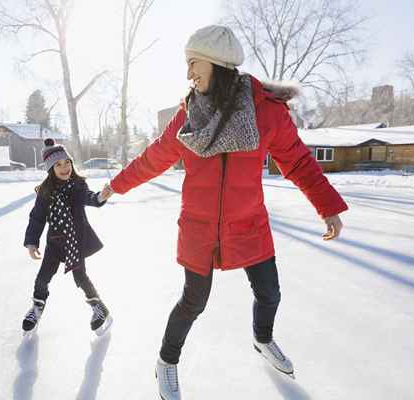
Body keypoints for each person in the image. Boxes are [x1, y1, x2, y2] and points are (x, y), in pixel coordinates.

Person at [100, 25, 348, 399]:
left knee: (270, 294)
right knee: (193, 302)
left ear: (216, 63)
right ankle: (166, 363)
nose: (188, 74)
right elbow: (153, 159)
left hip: (250, 224)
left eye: (193, 63)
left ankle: (262, 339)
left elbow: (297, 161)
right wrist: (113, 186)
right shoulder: (188, 117)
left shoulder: (266, 112)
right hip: (199, 229)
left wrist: (327, 206)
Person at [22, 139, 112, 336]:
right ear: (50, 169)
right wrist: (31, 242)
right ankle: (37, 307)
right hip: (54, 244)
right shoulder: (46, 191)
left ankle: (99, 307)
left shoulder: (78, 186)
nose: (64, 168)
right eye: (58, 165)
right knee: (42, 278)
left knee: (81, 278)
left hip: (75, 242)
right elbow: (37, 218)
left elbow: (90, 197)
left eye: (67, 163)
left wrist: (100, 197)